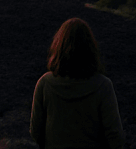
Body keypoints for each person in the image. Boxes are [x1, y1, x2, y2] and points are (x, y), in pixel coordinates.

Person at [30, 18, 123, 149]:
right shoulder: (103, 86)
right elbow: (114, 135)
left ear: (58, 46)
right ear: (90, 47)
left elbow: (35, 132)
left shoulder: (45, 84)